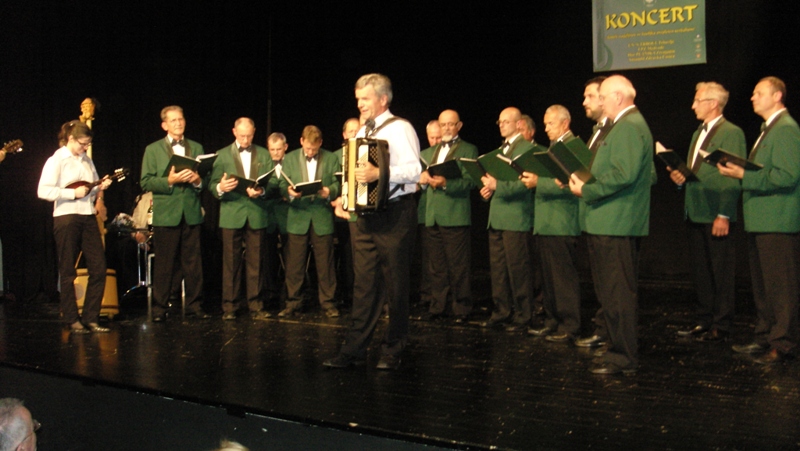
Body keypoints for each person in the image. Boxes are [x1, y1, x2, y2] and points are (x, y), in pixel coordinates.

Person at [325, 73, 421, 370]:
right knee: (364, 284)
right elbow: (354, 172)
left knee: (395, 284)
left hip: (395, 214)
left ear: (383, 99)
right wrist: (345, 198)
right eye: (358, 99)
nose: (360, 104)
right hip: (366, 216)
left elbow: (415, 171)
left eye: (365, 99)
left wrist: (380, 173)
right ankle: (354, 350)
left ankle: (394, 348)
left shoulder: (400, 128)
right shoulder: (362, 131)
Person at [569, 75, 653, 375]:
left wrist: (586, 189)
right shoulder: (621, 125)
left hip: (616, 222)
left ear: (618, 97)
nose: (600, 102)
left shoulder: (628, 126)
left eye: (603, 97)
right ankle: (615, 349)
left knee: (618, 294)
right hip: (607, 221)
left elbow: (623, 174)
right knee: (610, 294)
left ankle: (623, 357)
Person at [719, 76, 800, 364]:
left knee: (781, 288)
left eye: (759, 93)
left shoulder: (786, 129)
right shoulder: (770, 128)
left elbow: (787, 176)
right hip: (762, 220)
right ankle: (766, 335)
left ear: (777, 96)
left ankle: (784, 343)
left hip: (777, 221)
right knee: (765, 286)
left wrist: (743, 174)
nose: (752, 97)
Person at [669, 82, 745, 342]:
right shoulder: (697, 133)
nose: (693, 106)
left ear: (713, 103)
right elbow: (697, 172)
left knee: (721, 272)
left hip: (715, 212)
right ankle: (704, 319)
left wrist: (724, 214)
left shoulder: (731, 132)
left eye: (697, 100)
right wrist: (681, 179)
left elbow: (732, 176)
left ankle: (721, 325)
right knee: (701, 271)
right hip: (696, 209)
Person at [37, 121, 112, 334]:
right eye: (82, 144)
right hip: (66, 217)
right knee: (68, 270)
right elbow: (43, 191)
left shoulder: (87, 160)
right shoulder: (56, 160)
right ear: (70, 139)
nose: (85, 148)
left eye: (88, 144)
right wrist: (71, 193)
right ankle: (71, 319)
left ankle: (91, 317)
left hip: (87, 216)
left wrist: (101, 186)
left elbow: (92, 186)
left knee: (98, 267)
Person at [140, 106, 210, 321]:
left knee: (193, 263)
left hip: (190, 212)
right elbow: (146, 181)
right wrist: (169, 181)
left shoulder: (196, 147)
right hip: (167, 214)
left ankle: (194, 306)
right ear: (164, 125)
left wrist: (197, 181)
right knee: (164, 264)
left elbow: (205, 180)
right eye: (173, 120)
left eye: (181, 119)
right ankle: (159, 309)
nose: (178, 123)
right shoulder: (153, 149)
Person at [525, 105, 584, 343]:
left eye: (551, 123)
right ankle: (552, 321)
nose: (546, 128)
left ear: (565, 123)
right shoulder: (552, 148)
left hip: (562, 221)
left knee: (562, 278)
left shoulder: (573, 147)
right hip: (546, 221)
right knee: (548, 278)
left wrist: (539, 182)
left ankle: (570, 325)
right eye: (545, 124)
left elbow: (571, 184)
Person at [209, 118, 275, 321]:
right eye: (242, 136)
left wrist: (261, 190)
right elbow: (212, 184)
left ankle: (256, 304)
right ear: (234, 132)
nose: (246, 140)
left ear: (254, 133)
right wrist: (221, 187)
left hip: (256, 212)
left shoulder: (263, 154)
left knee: (256, 262)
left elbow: (273, 182)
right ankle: (230, 306)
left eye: (249, 136)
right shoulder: (222, 154)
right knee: (231, 262)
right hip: (232, 213)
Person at [417, 110, 478, 322]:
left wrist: (446, 183)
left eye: (451, 124)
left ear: (459, 126)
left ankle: (461, 308)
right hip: (432, 214)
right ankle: (438, 306)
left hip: (455, 214)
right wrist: (422, 179)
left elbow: (471, 181)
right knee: (436, 266)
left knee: (458, 266)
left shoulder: (468, 149)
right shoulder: (430, 152)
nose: (446, 128)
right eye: (443, 125)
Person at [479, 107, 535, 332]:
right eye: (499, 121)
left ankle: (523, 314)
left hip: (516, 217)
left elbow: (524, 184)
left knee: (518, 269)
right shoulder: (500, 150)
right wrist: (488, 190)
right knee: (499, 270)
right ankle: (501, 311)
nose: (501, 125)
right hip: (497, 216)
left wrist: (497, 186)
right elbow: (494, 182)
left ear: (519, 124)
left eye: (506, 121)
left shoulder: (527, 149)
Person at [278, 125, 340, 318]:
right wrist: (289, 192)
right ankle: (293, 302)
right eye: (307, 148)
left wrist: (330, 191)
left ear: (320, 143)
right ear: (301, 141)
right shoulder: (290, 158)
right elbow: (282, 184)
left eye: (314, 149)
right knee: (295, 264)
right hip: (298, 215)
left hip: (321, 215)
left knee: (325, 264)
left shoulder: (331, 158)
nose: (310, 152)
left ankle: (328, 303)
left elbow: (338, 183)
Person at [573, 75, 613, 350]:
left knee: (612, 284)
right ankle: (604, 329)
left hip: (610, 218)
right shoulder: (597, 132)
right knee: (601, 282)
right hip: (593, 215)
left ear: (604, 97)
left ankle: (612, 335)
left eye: (589, 96)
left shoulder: (619, 131)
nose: (584, 101)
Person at [332, 118, 361, 305]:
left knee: (361, 257)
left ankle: (361, 295)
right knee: (345, 255)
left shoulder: (367, 153)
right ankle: (347, 294)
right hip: (341, 214)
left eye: (358, 130)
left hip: (361, 213)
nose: (355, 133)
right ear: (344, 134)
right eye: (351, 131)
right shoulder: (335, 156)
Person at [263, 132, 291, 310]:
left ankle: (290, 293)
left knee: (291, 256)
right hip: (268, 215)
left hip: (287, 215)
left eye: (278, 149)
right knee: (268, 257)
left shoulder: (292, 162)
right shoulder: (263, 163)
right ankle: (270, 294)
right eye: (272, 149)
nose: (275, 153)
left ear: (285, 147)